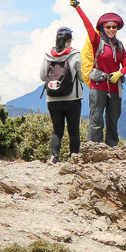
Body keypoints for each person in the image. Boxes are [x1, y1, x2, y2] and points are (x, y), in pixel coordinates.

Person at [72, 0, 126, 146]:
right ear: (102, 28)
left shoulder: (119, 45)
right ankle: (94, 148)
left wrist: (120, 73)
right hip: (98, 86)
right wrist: (77, 7)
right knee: (96, 119)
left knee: (113, 119)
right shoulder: (96, 41)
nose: (111, 29)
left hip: (115, 87)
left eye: (114, 27)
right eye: (108, 27)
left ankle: (112, 147)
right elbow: (87, 24)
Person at [38, 26, 82, 164]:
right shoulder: (75, 54)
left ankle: (54, 157)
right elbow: (81, 77)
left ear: (56, 39)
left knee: (57, 130)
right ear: (70, 40)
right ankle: (74, 157)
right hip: (72, 98)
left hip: (53, 99)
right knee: (73, 130)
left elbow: (42, 76)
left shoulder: (48, 55)